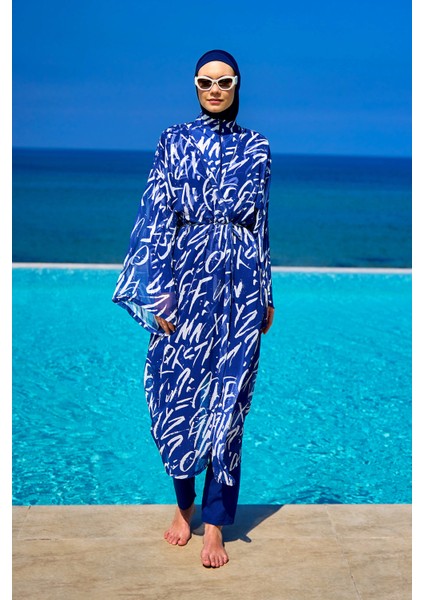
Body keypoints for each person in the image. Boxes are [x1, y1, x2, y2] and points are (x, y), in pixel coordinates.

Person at [112, 48, 275, 568]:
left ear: (237, 85)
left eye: (224, 82)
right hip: (187, 280)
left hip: (241, 285)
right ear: (195, 86)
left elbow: (262, 225)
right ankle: (185, 506)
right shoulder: (174, 140)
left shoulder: (258, 147)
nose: (215, 90)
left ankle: (216, 524)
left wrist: (266, 291)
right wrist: (158, 291)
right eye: (206, 82)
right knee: (174, 395)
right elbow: (155, 215)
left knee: (230, 403)